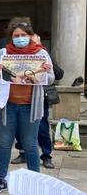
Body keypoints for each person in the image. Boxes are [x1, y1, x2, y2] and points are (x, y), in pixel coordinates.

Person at [0, 18, 55, 193]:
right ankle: (1, 179)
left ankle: (35, 182)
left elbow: (50, 79)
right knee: (4, 142)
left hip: (30, 107)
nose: (19, 38)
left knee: (30, 143)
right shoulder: (3, 53)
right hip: (7, 106)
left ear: (30, 36)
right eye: (16, 35)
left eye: (23, 35)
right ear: (11, 37)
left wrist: (44, 73)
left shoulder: (41, 54)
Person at [11, 34, 64, 170]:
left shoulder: (45, 54)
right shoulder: (20, 55)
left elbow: (58, 74)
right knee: (20, 127)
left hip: (40, 97)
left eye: (34, 42)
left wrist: (47, 66)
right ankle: (22, 152)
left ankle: (46, 156)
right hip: (21, 96)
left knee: (42, 127)